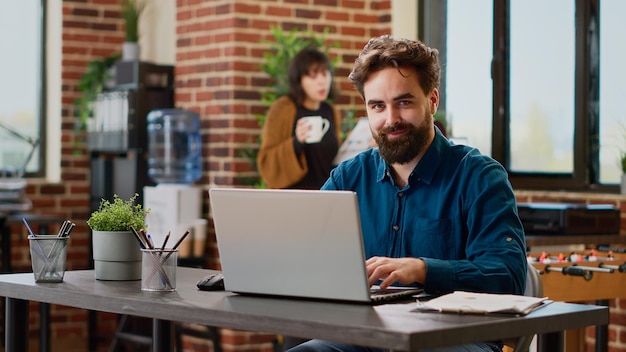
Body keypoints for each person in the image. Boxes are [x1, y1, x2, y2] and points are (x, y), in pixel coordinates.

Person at [287, 35, 527, 352]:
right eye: (378, 106)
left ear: (432, 100)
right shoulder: (348, 177)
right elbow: (305, 255)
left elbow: (507, 276)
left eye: (404, 102)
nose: (391, 119)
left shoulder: (480, 177)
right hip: (367, 337)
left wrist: (423, 270)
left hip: (456, 339)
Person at [257, 47, 342, 189]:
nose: (322, 81)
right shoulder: (284, 107)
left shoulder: (330, 111)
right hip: (293, 198)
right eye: (313, 76)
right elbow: (266, 162)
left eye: (325, 74)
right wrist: (296, 142)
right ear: (299, 80)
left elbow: (334, 159)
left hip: (327, 194)